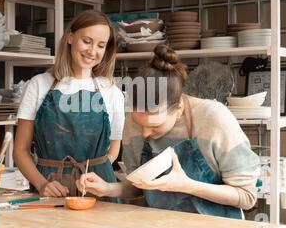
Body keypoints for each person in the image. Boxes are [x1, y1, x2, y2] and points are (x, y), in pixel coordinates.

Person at [77, 44, 260, 219]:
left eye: (155, 126)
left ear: (179, 108)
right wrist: (108, 188)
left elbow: (247, 197)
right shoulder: (133, 121)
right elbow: (139, 186)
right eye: (140, 123)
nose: (145, 133)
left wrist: (187, 186)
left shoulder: (214, 119)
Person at [14, 10, 125, 199]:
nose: (92, 51)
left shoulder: (111, 91)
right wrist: (42, 184)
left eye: (101, 45)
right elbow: (20, 150)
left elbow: (114, 150)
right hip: (50, 188)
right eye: (87, 41)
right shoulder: (39, 84)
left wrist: (91, 176)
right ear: (70, 37)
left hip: (96, 188)